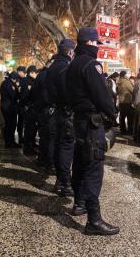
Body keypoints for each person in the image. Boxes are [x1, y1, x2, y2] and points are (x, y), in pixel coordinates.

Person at [65, 27, 119, 236]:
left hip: (78, 121)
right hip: (91, 124)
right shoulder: (91, 64)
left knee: (79, 163)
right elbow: (102, 96)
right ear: (89, 43)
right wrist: (112, 116)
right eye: (96, 43)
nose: (98, 47)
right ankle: (93, 219)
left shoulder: (72, 65)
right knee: (94, 168)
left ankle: (79, 203)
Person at [46, 39, 76, 196]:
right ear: (70, 52)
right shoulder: (64, 67)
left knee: (59, 146)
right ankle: (65, 183)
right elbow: (66, 92)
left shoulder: (52, 67)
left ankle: (60, 180)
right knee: (66, 147)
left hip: (55, 111)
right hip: (65, 112)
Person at [0, 72, 21, 148]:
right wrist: (18, 90)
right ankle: (9, 143)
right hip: (9, 108)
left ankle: (10, 142)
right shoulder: (10, 85)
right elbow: (14, 96)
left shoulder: (5, 82)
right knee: (11, 125)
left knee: (9, 125)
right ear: (14, 78)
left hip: (6, 107)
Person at [21, 65, 38, 156]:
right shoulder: (26, 81)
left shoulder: (32, 81)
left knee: (32, 129)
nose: (37, 75)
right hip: (28, 108)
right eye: (36, 73)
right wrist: (26, 106)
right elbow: (25, 96)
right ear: (31, 73)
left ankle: (31, 145)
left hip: (31, 107)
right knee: (29, 129)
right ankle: (27, 148)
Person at [16, 66, 27, 144]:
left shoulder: (24, 80)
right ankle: (21, 137)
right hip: (21, 104)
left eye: (18, 72)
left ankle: (22, 137)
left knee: (22, 122)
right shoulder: (18, 80)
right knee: (21, 122)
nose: (18, 73)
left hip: (23, 104)